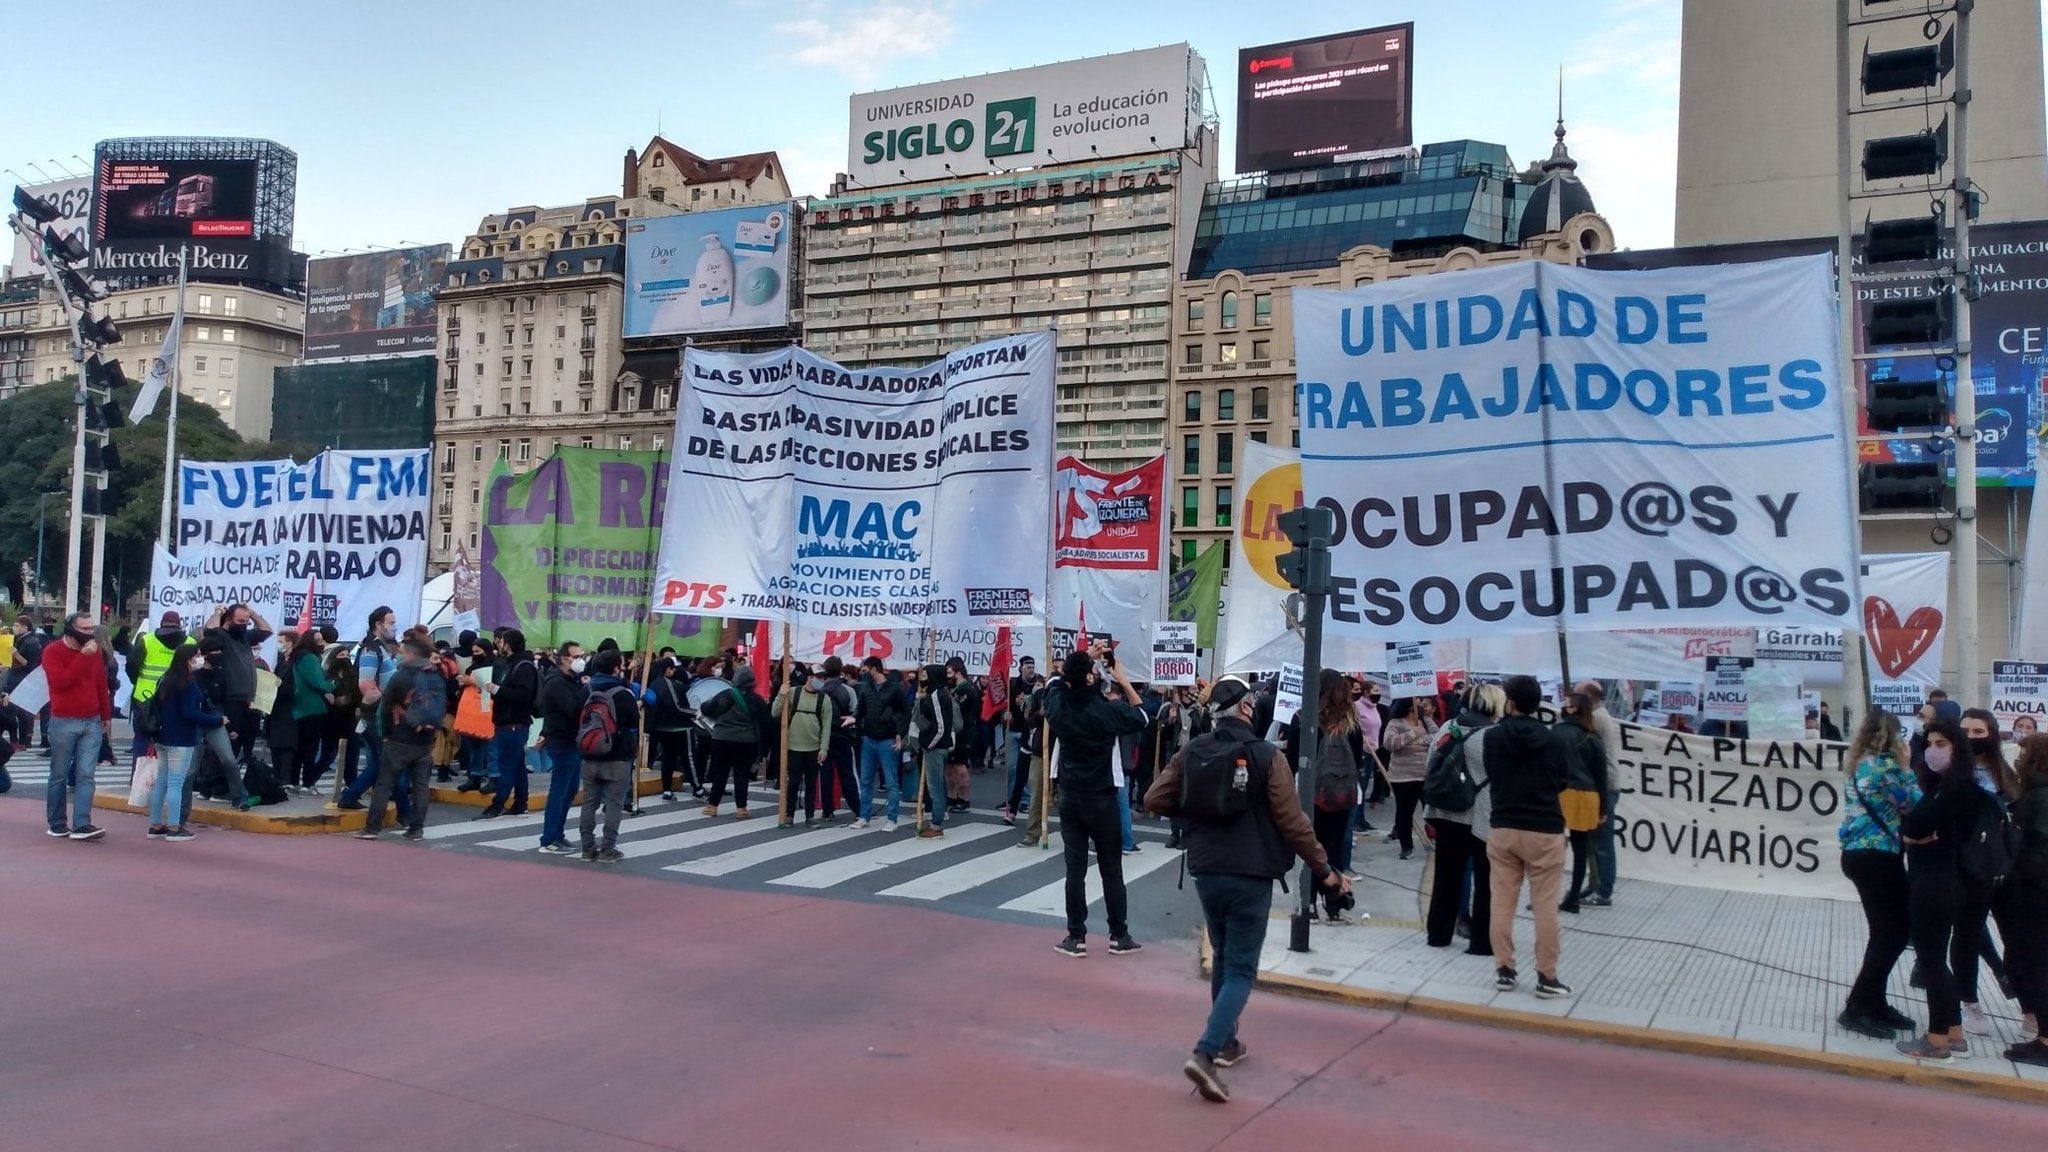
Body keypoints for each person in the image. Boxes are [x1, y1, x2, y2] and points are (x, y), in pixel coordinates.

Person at [1144, 675, 1351, 1104]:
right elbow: (1294, 824)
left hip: (1206, 870)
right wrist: (1326, 871)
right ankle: (1205, 1052)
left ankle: (1226, 1041)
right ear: (1243, 710)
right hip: (1252, 873)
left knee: (1223, 956)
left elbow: (1153, 800)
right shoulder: (1267, 757)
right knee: (1240, 969)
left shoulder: (1192, 751)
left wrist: (1199, 809)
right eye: (1251, 704)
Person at [1044, 641, 1152, 957]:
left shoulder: (1058, 707)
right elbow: (1142, 717)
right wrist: (1122, 678)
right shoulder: (1107, 711)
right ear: (1092, 679)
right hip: (1103, 797)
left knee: (1075, 869)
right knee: (1111, 868)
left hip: (1071, 796)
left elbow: (1053, 681)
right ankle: (1119, 934)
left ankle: (1075, 936)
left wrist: (1083, 660)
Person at [1893, 718, 1992, 1062]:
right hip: (1941, 881)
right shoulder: (1944, 786)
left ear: (1957, 748)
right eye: (1930, 744)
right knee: (1938, 961)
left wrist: (1913, 831)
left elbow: (1915, 823)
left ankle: (1936, 1041)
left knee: (1931, 962)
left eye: (1941, 745)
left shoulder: (1957, 788)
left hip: (1937, 883)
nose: (1933, 751)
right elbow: (1914, 826)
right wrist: (1913, 831)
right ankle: (1954, 1033)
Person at [1834, 709, 1922, 1040]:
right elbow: (1915, 804)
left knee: (1885, 933)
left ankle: (1874, 1001)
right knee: (1893, 934)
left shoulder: (1861, 763)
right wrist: (1908, 767)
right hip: (1878, 857)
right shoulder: (1887, 768)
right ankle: (1857, 1007)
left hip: (1858, 854)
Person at [1423, 684, 1505, 951]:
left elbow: (1430, 767)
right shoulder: (1495, 735)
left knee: (1446, 876)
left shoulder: (1449, 728)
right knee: (1485, 881)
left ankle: (1438, 935)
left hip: (1445, 813)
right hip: (1481, 816)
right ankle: (1481, 941)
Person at [1956, 707, 2021, 1035]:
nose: (1970, 738)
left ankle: (2028, 1003)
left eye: (1978, 732)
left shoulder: (2003, 772)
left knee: (2016, 937)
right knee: (1967, 936)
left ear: (1991, 734)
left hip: (2004, 869)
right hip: (1966, 867)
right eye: (1965, 731)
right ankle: (1970, 1003)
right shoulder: (1952, 770)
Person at [1283, 669, 1364, 917]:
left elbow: (1292, 759)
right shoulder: (1351, 722)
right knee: (1336, 845)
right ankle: (1335, 901)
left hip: (1312, 795)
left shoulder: (1304, 718)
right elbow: (1358, 759)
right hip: (1343, 795)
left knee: (1311, 846)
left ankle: (1308, 904)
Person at [353, 636, 446, 842]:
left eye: (402, 653)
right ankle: (416, 829)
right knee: (421, 786)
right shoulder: (435, 676)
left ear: (412, 654)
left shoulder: (401, 676)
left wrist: (384, 734)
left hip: (399, 738)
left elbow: (385, 708)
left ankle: (372, 828)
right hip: (425, 740)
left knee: (384, 784)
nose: (399, 656)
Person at [41, 612, 114, 840]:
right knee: (59, 774)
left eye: (91, 628)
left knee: (86, 774)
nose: (89, 633)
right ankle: (57, 823)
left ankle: (82, 823)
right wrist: (83, 656)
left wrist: (106, 714)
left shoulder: (95, 651)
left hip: (91, 719)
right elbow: (61, 682)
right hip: (64, 719)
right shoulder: (53, 651)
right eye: (84, 629)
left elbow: (101, 683)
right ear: (70, 628)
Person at [2004, 734, 2048, 1066]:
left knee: (2035, 963)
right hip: (2032, 890)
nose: (2019, 758)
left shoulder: (2041, 795)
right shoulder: (2034, 792)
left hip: (2037, 893)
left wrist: (2019, 872)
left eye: (2024, 752)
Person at [148, 643, 220, 842]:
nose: (200, 659)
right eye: (197, 655)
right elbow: (190, 713)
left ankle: (155, 824)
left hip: (162, 737)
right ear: (189, 659)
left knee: (162, 781)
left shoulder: (165, 678)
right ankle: (174, 826)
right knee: (175, 783)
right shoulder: (187, 683)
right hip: (181, 739)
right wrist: (217, 720)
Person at [578, 650, 642, 861]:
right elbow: (634, 721)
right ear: (616, 668)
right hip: (617, 756)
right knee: (614, 803)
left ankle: (587, 847)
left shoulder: (586, 689)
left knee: (589, 802)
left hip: (589, 753)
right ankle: (608, 848)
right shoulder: (623, 693)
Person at [338, 608, 401, 812]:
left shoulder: (379, 648)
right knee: (383, 758)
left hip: (379, 712)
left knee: (380, 758)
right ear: (378, 624)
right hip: (376, 713)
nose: (394, 627)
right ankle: (351, 795)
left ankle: (361, 794)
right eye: (391, 623)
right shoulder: (371, 649)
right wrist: (382, 703)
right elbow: (367, 685)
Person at [1553, 692, 1609, 916]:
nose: (1563, 707)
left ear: (1574, 709)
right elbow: (1601, 776)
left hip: (1561, 794)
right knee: (1581, 849)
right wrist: (1603, 808)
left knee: (1552, 849)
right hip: (1588, 796)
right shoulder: (1592, 737)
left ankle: (1548, 895)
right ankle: (1574, 896)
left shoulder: (1556, 733)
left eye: (1566, 704)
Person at [200, 602, 273, 772]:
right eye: (240, 621)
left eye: (246, 622)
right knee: (229, 744)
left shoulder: (245, 637)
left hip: (247, 699)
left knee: (245, 742)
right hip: (231, 697)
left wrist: (252, 613)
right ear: (228, 620)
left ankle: (228, 784)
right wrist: (218, 611)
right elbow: (209, 629)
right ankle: (216, 785)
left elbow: (266, 631)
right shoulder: (222, 636)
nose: (244, 625)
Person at [477, 630, 540, 820]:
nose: (498, 644)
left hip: (514, 724)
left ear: (508, 645)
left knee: (507, 767)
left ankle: (497, 805)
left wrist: (497, 690)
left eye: (501, 641)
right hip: (508, 722)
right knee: (518, 765)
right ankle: (521, 803)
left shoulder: (523, 667)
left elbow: (523, 695)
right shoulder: (510, 664)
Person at [1573, 681, 1624, 906]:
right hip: (1599, 785)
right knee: (1594, 842)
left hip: (1604, 786)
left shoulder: (1598, 719)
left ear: (1588, 696)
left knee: (1602, 842)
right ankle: (1595, 884)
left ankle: (1603, 890)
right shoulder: (1598, 716)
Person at [534, 642, 587, 854]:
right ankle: (549, 838)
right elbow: (572, 710)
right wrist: (586, 689)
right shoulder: (557, 682)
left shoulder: (569, 680)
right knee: (560, 790)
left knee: (570, 789)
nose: (581, 660)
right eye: (577, 656)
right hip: (562, 742)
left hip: (571, 741)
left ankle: (558, 834)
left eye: (582, 655)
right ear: (565, 658)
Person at [853, 656, 910, 830]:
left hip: (888, 739)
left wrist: (900, 733)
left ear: (875, 669)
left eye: (866, 670)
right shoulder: (866, 689)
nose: (863, 673)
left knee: (891, 781)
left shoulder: (895, 689)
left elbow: (906, 713)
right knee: (866, 780)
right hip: (869, 738)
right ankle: (864, 816)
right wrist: (853, 719)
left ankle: (892, 819)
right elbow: (860, 710)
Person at [699, 664, 762, 819]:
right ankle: (741, 808)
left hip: (722, 738)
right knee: (741, 774)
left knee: (720, 772)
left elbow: (707, 709)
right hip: (746, 740)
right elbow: (765, 722)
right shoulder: (757, 699)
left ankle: (712, 805)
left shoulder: (725, 694)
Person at [774, 663, 834, 827]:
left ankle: (809, 816)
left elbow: (827, 726)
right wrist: (781, 695)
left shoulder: (825, 699)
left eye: (823, 677)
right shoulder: (794, 693)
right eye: (818, 677)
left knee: (811, 784)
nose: (821, 680)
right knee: (792, 783)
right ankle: (789, 815)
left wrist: (824, 748)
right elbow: (775, 712)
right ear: (810, 677)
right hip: (793, 747)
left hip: (813, 747)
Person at [124, 611, 187, 759]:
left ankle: (140, 779)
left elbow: (131, 665)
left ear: (161, 623)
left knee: (142, 738)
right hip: (177, 697)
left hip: (145, 696)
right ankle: (166, 779)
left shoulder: (147, 640)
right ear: (180, 624)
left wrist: (137, 681)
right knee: (172, 742)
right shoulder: (189, 642)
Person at [909, 663, 961, 837]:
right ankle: (935, 822)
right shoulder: (934, 694)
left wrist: (927, 744)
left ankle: (937, 825)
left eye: (925, 675)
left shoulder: (938, 696)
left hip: (936, 747)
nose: (921, 678)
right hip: (935, 745)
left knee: (935, 787)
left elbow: (940, 726)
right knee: (935, 786)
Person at [1382, 697, 1437, 861]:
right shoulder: (1395, 723)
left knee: (1433, 811)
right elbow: (1390, 744)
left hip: (1426, 775)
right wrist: (1413, 734)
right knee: (1404, 813)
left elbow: (1438, 738)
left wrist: (1420, 738)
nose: (1421, 706)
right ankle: (1406, 846)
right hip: (1403, 777)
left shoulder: (1426, 721)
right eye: (1417, 703)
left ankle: (1435, 837)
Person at [289, 627, 338, 793]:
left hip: (301, 707)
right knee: (310, 748)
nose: (321, 643)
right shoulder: (310, 658)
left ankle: (294, 781)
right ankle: (308, 783)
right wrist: (331, 686)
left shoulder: (298, 658)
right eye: (318, 641)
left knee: (301, 747)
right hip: (312, 707)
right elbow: (317, 681)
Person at [648, 658, 697, 801]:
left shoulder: (654, 683)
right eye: (672, 668)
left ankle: (667, 789)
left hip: (661, 728)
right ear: (667, 669)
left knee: (668, 759)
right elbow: (676, 707)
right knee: (688, 757)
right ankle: (698, 788)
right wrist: (693, 712)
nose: (674, 671)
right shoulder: (668, 684)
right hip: (679, 726)